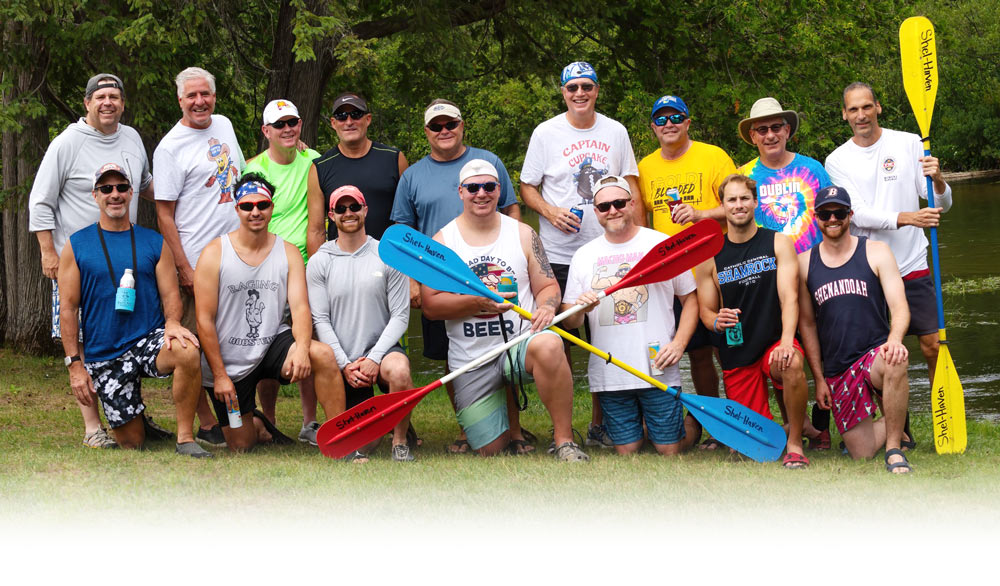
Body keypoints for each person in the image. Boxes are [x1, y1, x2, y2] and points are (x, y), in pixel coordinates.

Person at [421, 159, 587, 461]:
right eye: (473, 187)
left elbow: (548, 287)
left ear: (499, 190)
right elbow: (431, 306)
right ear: (460, 191)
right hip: (472, 356)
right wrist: (478, 302)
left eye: (489, 186)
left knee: (551, 343)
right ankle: (498, 421)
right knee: (490, 450)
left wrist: (547, 308)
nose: (481, 193)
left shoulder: (523, 234)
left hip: (519, 346)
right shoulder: (443, 242)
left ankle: (564, 440)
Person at [28, 72, 159, 449]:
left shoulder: (131, 138)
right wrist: (47, 251)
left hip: (126, 258)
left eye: (114, 97)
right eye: (100, 96)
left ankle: (131, 412)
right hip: (79, 260)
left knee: (129, 333)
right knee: (81, 338)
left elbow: (147, 185)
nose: (107, 103)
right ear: (87, 103)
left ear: (122, 103)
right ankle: (92, 426)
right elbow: (41, 200)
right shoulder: (67, 143)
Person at [390, 99, 521, 454]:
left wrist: (519, 257)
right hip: (441, 281)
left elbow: (511, 208)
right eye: (437, 126)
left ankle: (516, 427)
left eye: (451, 124)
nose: (444, 131)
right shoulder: (413, 175)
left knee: (504, 345)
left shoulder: (488, 162)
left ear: (462, 126)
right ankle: (470, 426)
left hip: (494, 272)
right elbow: (404, 231)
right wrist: (414, 281)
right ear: (427, 132)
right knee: (453, 354)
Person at [519, 61, 640, 448]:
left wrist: (632, 234)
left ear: (597, 90)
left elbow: (632, 183)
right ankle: (565, 427)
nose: (580, 94)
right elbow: (527, 186)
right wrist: (551, 213)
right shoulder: (546, 133)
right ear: (563, 92)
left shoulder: (615, 131)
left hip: (606, 250)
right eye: (572, 88)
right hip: (558, 252)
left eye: (587, 86)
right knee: (563, 342)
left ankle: (602, 422)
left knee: (606, 335)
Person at [56, 163, 210, 458]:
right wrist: (75, 365)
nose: (115, 194)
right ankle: (138, 423)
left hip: (147, 339)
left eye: (121, 188)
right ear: (95, 195)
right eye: (106, 189)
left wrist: (174, 322)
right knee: (131, 443)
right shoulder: (77, 245)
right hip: (106, 351)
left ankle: (186, 438)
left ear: (131, 193)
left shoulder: (154, 241)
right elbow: (68, 309)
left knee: (187, 348)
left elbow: (170, 294)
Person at [194, 174, 345, 452]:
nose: (255, 212)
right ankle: (258, 424)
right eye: (247, 206)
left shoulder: (288, 252)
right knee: (241, 445)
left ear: (271, 207)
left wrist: (301, 349)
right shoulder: (214, 253)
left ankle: (340, 438)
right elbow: (204, 320)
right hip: (230, 363)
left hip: (271, 343)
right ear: (236, 208)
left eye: (262, 205)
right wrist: (219, 375)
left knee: (321, 354)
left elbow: (300, 308)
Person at [825, 82, 952, 394]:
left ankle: (942, 415)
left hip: (911, 262)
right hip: (869, 268)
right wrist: (909, 218)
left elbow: (941, 204)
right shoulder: (837, 160)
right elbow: (859, 213)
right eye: (853, 109)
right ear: (844, 115)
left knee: (933, 344)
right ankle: (897, 426)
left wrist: (938, 179)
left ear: (878, 107)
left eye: (867, 106)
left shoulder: (909, 143)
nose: (861, 114)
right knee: (879, 354)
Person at [562, 175, 701, 455]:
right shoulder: (584, 255)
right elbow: (569, 320)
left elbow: (691, 300)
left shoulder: (662, 245)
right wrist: (580, 308)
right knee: (628, 449)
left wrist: (679, 344)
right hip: (611, 372)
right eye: (604, 206)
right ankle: (646, 427)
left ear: (633, 203)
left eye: (619, 203)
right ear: (596, 212)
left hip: (657, 366)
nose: (612, 210)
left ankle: (693, 424)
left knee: (669, 450)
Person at [635, 94, 736, 444]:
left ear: (688, 122)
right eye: (660, 119)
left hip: (716, 268)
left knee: (730, 350)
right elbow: (640, 219)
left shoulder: (713, 156)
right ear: (652, 127)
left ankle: (739, 420)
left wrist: (699, 215)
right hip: (672, 277)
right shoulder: (645, 166)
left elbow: (738, 206)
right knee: (697, 354)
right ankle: (710, 425)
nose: (669, 124)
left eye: (676, 116)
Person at [153, 66, 245, 446]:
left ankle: (234, 418)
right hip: (197, 261)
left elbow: (238, 175)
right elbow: (164, 213)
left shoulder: (223, 125)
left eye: (205, 94)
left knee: (228, 340)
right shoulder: (170, 147)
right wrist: (182, 266)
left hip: (236, 255)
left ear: (214, 96)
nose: (199, 101)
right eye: (191, 96)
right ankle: (205, 422)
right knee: (195, 343)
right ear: (179, 100)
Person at [694, 174, 809, 468]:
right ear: (723, 206)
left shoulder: (778, 242)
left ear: (755, 202)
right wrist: (716, 320)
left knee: (791, 361)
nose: (739, 205)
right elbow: (705, 311)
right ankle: (785, 432)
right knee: (753, 449)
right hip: (738, 352)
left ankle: (796, 443)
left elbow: (790, 298)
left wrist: (787, 342)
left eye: (744, 198)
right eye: (731, 200)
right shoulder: (710, 257)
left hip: (773, 343)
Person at [797, 186, 912, 473]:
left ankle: (895, 449)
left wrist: (895, 340)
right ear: (817, 217)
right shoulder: (804, 263)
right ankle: (898, 422)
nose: (832, 219)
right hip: (838, 366)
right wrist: (820, 379)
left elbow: (899, 306)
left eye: (839, 212)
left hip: (875, 353)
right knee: (861, 453)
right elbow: (808, 324)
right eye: (825, 213)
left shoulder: (876, 251)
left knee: (895, 358)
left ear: (850, 215)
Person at [307, 185, 414, 462]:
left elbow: (401, 316)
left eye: (354, 207)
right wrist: (344, 364)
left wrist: (375, 358)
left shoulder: (388, 255)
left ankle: (400, 441)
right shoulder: (320, 261)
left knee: (400, 371)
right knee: (364, 445)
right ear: (331, 215)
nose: (348, 213)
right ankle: (376, 426)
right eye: (341, 209)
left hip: (382, 351)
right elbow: (320, 319)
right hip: (343, 360)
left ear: (365, 210)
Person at [243, 98, 322, 445]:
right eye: (279, 125)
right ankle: (270, 420)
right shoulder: (253, 168)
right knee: (265, 344)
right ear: (266, 131)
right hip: (265, 270)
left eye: (293, 122)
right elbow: (247, 217)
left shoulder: (315, 161)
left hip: (304, 267)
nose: (287, 129)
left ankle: (310, 421)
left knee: (308, 342)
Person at [308, 92, 408, 251]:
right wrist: (317, 273)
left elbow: (405, 222)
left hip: (388, 263)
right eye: (342, 116)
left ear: (368, 119)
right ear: (333, 123)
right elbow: (316, 231)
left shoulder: (394, 159)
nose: (349, 122)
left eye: (356, 115)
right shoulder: (320, 168)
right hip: (341, 263)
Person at [737, 97, 832, 254]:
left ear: (786, 131)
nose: (770, 135)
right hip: (767, 272)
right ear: (753, 136)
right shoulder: (742, 176)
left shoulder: (813, 169)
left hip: (813, 266)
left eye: (776, 127)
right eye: (762, 130)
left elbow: (833, 216)